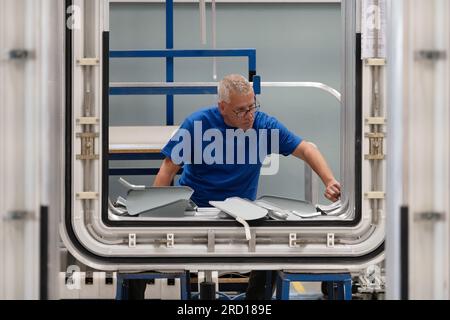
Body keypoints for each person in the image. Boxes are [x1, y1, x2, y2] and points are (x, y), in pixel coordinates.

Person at [153, 74, 341, 300]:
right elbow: (168, 169)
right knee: (139, 258)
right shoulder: (197, 124)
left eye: (252, 106)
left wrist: (329, 180)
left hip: (241, 212)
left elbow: (306, 149)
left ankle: (254, 303)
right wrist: (154, 216)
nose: (249, 115)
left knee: (273, 250)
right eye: (240, 110)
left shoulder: (263, 125)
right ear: (222, 107)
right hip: (196, 210)